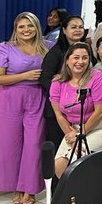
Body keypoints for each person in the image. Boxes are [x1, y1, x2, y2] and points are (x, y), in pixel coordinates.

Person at [0, 12, 51, 204]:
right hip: (10, 99)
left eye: (30, 25)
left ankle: (30, 188)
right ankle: (16, 185)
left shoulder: (48, 47)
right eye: (21, 26)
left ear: (37, 27)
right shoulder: (6, 48)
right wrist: (25, 76)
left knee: (34, 143)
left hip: (37, 98)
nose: (26, 30)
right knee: (10, 144)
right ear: (16, 30)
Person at [49, 43, 102, 177]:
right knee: (59, 164)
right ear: (67, 60)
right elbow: (59, 115)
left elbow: (100, 111)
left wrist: (80, 135)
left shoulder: (98, 78)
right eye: (76, 57)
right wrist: (73, 138)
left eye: (85, 58)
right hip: (76, 126)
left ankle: (95, 187)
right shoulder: (57, 82)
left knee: (78, 160)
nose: (80, 62)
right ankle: (74, 190)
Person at [40, 15, 87, 146]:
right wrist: (64, 93)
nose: (78, 30)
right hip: (57, 109)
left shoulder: (86, 50)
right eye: (73, 27)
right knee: (58, 146)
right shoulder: (55, 52)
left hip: (81, 108)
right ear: (64, 30)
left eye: (81, 27)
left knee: (78, 147)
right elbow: (44, 79)